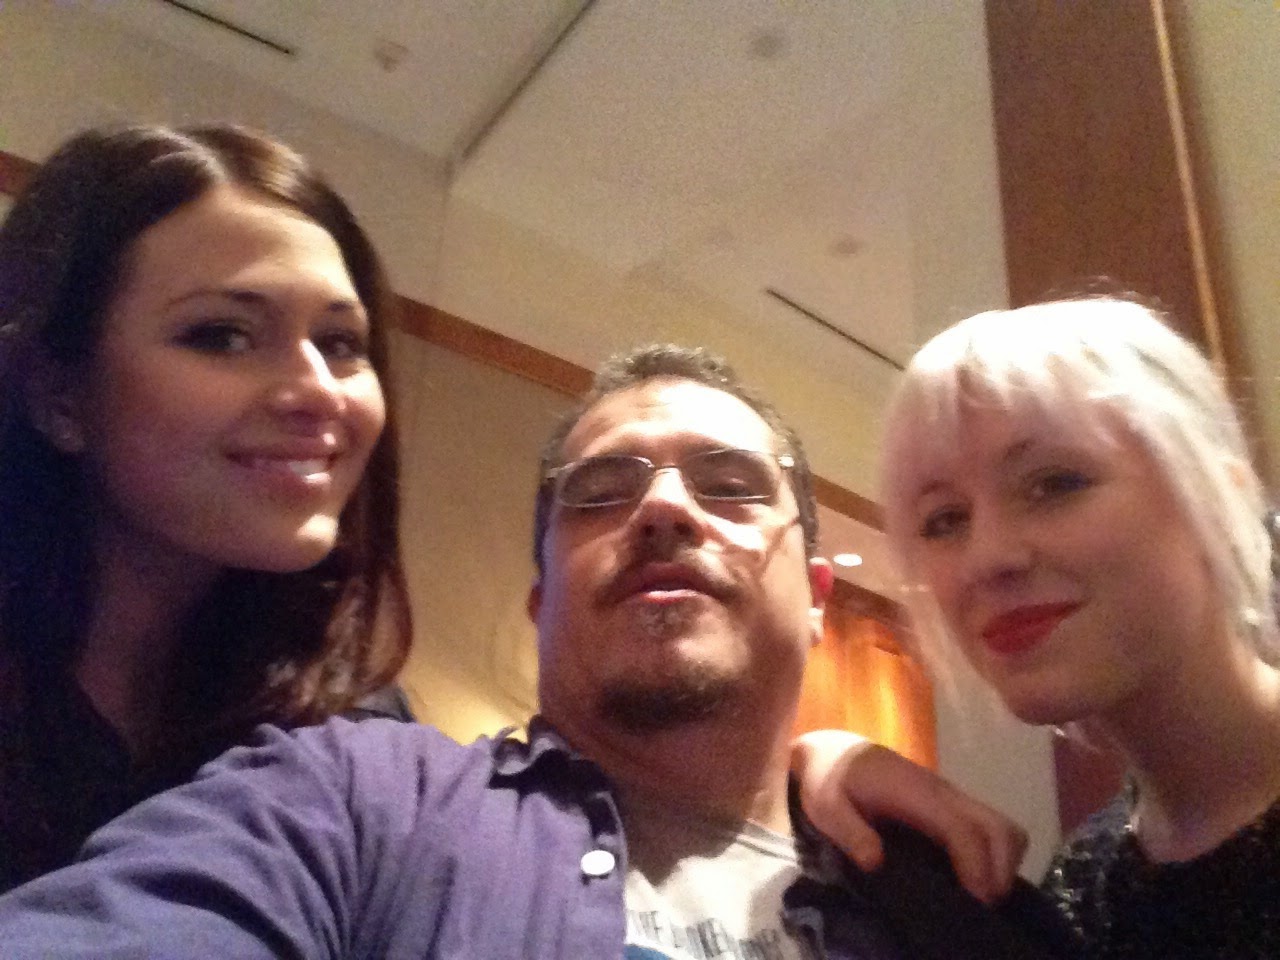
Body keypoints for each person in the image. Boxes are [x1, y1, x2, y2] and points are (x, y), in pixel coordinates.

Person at [0, 344, 1080, 959]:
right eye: (601, 491)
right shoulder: (353, 800)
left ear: (815, 598)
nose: (664, 508)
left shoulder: (955, 897)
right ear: (540, 598)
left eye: (729, 485)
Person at [0, 123, 413, 892]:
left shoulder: (356, 734)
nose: (320, 391)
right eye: (223, 335)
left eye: (340, 343)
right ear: (60, 396)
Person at [802, 297, 1280, 958]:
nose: (988, 558)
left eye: (1056, 483)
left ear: (1221, 501)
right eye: (945, 520)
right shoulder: (1086, 885)